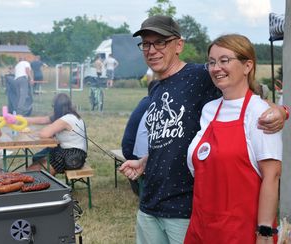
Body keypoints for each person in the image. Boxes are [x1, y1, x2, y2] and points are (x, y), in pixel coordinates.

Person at [119, 15, 287, 244]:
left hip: (185, 210)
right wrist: (145, 161)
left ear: (178, 45)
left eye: (160, 42)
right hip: (150, 205)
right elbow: (173, 140)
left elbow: (247, 94)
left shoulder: (201, 75)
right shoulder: (156, 88)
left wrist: (281, 110)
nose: (152, 50)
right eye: (146, 44)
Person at [184, 34, 282, 244]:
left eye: (224, 60)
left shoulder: (261, 113)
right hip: (202, 228)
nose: (216, 67)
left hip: (240, 233)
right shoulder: (209, 110)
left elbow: (271, 177)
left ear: (247, 66)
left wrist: (264, 233)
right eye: (211, 62)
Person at [26, 93, 87, 175]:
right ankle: (48, 183)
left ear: (56, 107)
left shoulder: (66, 119)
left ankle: (48, 183)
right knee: (37, 157)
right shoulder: (69, 116)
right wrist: (20, 119)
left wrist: (43, 131)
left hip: (72, 157)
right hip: (73, 153)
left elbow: (44, 134)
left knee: (32, 171)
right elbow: (42, 120)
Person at [121, 80, 157, 196]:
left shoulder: (145, 101)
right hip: (133, 151)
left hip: (128, 147)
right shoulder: (153, 104)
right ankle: (142, 187)